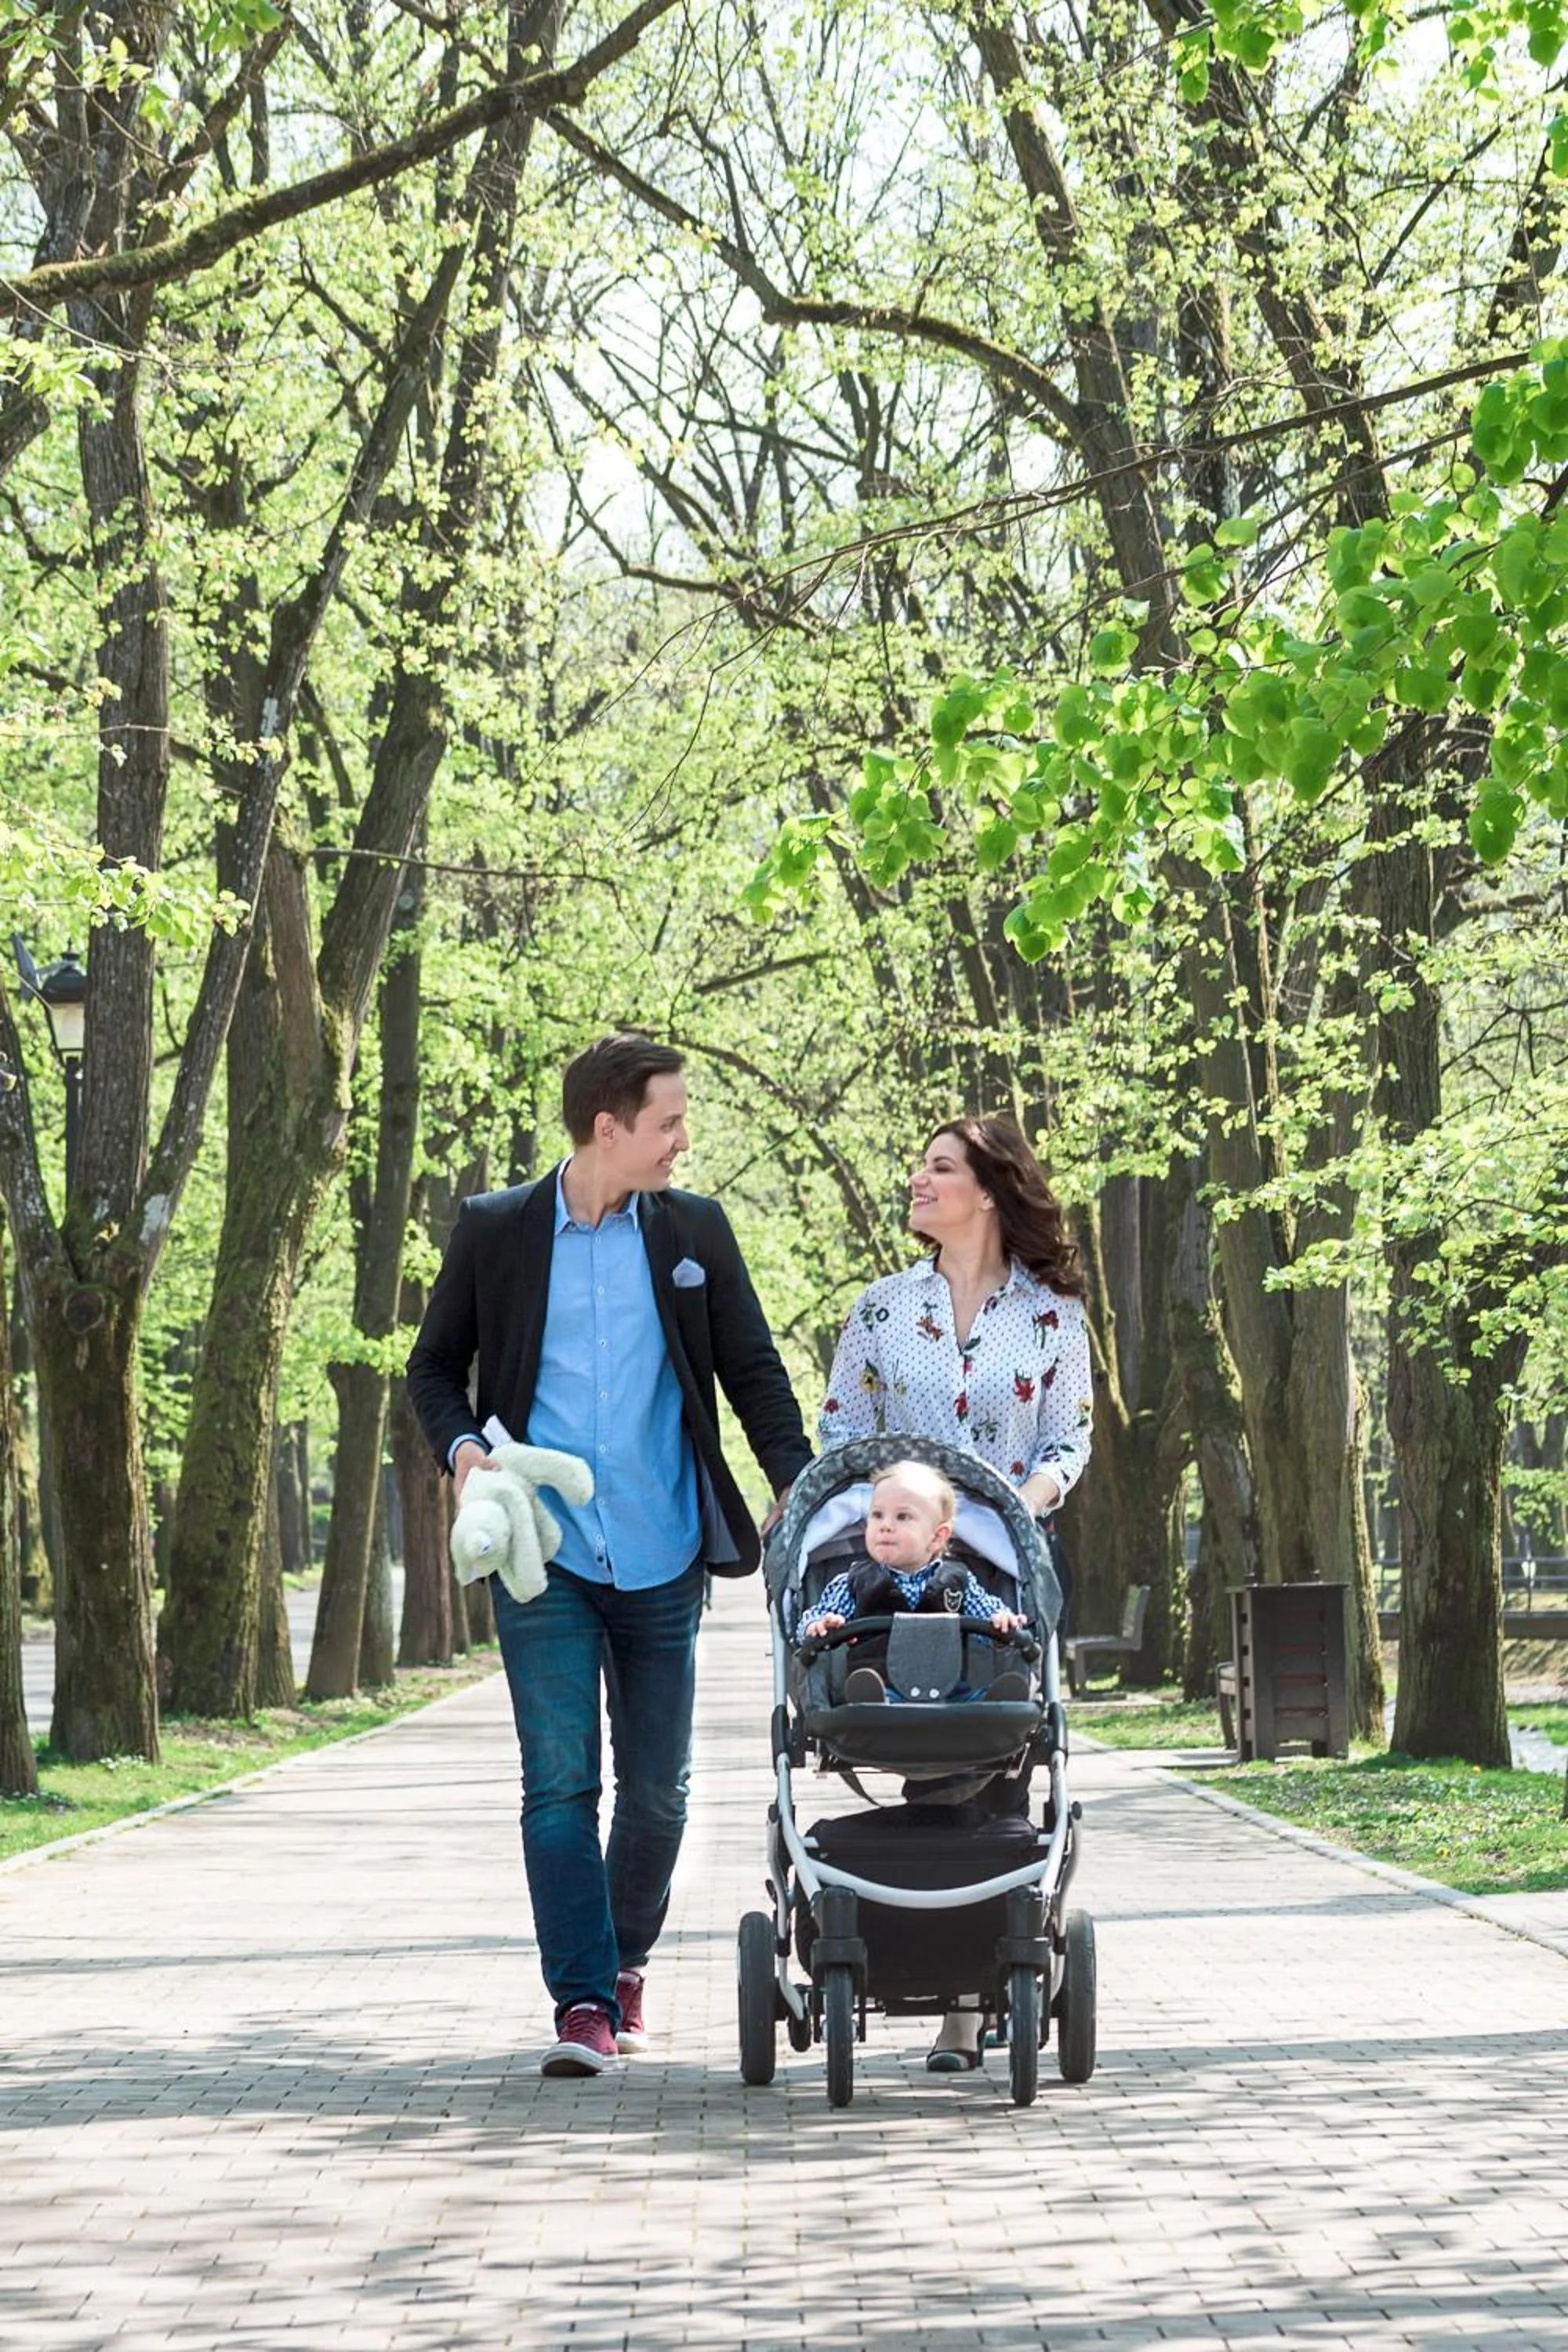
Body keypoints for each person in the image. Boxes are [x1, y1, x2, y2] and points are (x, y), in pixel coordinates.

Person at [407, 1033, 811, 2078]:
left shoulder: (693, 1231)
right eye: (668, 1122)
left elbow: (752, 1369)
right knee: (559, 1783)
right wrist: (462, 1450)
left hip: (662, 1548)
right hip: (542, 1554)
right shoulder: (496, 1229)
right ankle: (582, 2000)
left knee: (661, 1790)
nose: (682, 1140)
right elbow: (435, 1367)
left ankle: (625, 1960)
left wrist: (801, 1483)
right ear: (607, 1127)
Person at [818, 1114, 1093, 2068]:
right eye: (919, 1165)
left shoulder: (1051, 1316)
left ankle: (976, 1988)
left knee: (1005, 1741)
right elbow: (841, 1433)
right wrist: (895, 1513)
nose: (918, 1179)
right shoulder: (881, 1311)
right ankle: (946, 1968)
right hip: (908, 1560)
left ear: (987, 1189)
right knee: (927, 1733)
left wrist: (1019, 1505)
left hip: (1008, 1553)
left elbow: (1067, 1439)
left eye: (938, 1168)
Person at [799, 1459, 1028, 1702]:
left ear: (937, 1537)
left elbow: (989, 1615)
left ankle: (994, 1702)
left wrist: (1002, 1623)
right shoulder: (853, 1581)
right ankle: (873, 1701)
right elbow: (814, 1618)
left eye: (902, 1517)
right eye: (877, 1515)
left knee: (975, 1700)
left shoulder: (959, 1581)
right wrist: (820, 1625)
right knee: (871, 1694)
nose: (886, 1526)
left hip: (949, 1696)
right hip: (880, 1688)